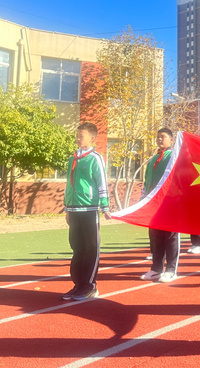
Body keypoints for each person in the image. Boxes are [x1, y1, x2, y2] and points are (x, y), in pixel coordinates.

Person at [62, 122, 111, 301]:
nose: (77, 138)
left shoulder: (95, 158)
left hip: (89, 208)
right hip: (74, 209)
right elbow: (69, 183)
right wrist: (67, 208)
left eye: (81, 135)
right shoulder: (73, 158)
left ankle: (90, 286)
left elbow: (101, 182)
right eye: (77, 135)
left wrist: (105, 205)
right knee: (77, 247)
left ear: (92, 138)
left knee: (91, 248)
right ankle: (78, 284)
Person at [140, 128, 180, 283]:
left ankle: (171, 270)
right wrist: (144, 198)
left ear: (171, 140)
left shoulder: (174, 157)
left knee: (170, 236)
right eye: (158, 137)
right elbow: (147, 180)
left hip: (169, 203)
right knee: (155, 236)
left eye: (163, 137)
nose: (159, 139)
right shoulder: (153, 159)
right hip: (153, 204)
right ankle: (156, 268)